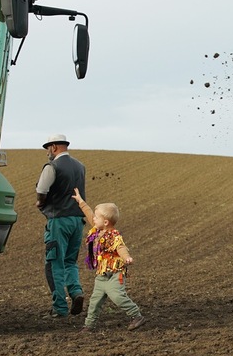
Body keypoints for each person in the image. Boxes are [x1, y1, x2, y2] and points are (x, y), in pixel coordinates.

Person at [71, 188, 146, 332]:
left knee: (117, 296)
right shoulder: (98, 230)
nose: (93, 219)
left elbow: (121, 248)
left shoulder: (114, 236)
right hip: (101, 275)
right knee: (94, 302)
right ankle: (89, 325)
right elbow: (89, 214)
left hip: (115, 274)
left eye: (97, 218)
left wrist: (127, 258)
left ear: (105, 222)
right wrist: (80, 201)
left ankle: (136, 316)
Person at [35, 134, 86, 318]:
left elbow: (41, 190)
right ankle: (76, 292)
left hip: (58, 220)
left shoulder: (52, 167)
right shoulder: (80, 166)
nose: (48, 152)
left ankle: (60, 308)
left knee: (54, 263)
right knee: (70, 261)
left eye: (48, 148)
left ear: (54, 147)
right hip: (78, 220)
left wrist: (40, 203)